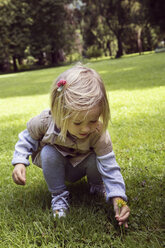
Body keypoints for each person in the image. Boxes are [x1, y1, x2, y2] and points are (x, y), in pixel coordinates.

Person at [12, 64, 130, 227]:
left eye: (93, 120)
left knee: (97, 157)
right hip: (59, 164)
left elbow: (110, 166)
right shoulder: (45, 121)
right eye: (77, 122)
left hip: (84, 164)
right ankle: (59, 197)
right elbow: (27, 137)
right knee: (48, 152)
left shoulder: (98, 132)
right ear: (58, 112)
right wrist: (20, 161)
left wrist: (119, 198)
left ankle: (97, 186)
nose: (86, 128)